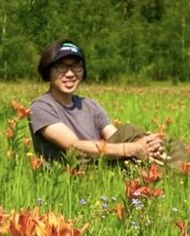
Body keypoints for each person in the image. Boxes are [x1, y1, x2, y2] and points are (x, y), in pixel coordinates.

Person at [29, 40, 166, 165]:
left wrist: (146, 144)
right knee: (132, 135)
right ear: (48, 70)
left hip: (101, 163)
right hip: (73, 171)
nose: (70, 74)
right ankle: (166, 170)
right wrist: (131, 149)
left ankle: (169, 170)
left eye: (76, 67)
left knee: (168, 143)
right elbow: (73, 146)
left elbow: (115, 136)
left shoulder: (90, 105)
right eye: (61, 67)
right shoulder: (40, 107)